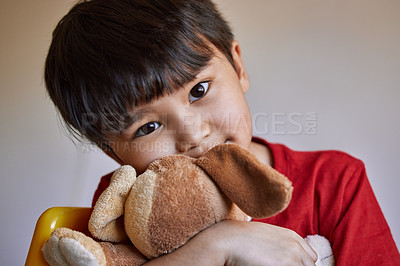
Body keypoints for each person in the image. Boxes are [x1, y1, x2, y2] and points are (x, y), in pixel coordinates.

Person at [45, 0, 400, 265]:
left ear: (239, 66)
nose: (194, 136)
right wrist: (219, 246)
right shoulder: (122, 203)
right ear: (112, 152)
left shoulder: (335, 182)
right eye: (147, 127)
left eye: (199, 91)